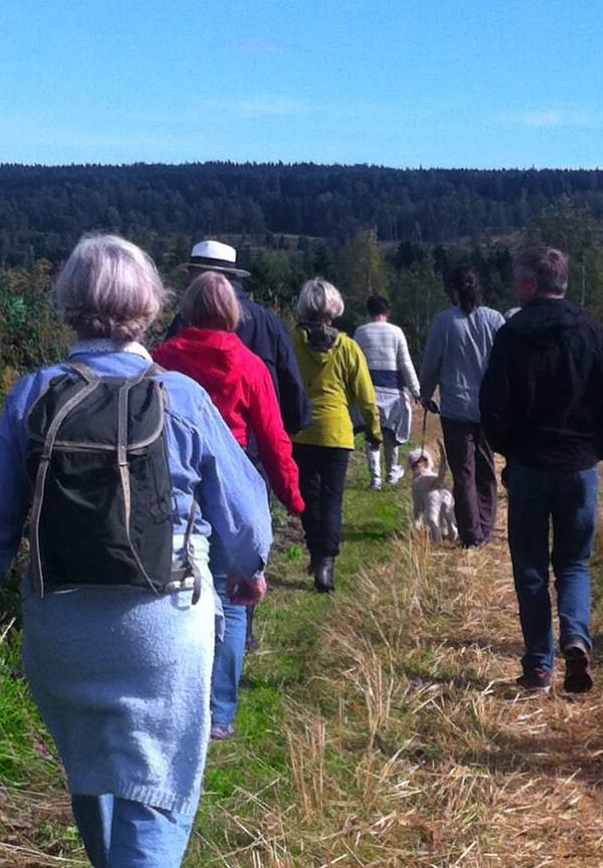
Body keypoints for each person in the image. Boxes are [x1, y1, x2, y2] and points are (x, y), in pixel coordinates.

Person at [0, 234, 273, 866]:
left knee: (93, 769)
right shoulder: (181, 397)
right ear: (151, 307)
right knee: (154, 790)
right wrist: (247, 572)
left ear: (68, 303)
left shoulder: (33, 395)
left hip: (59, 632)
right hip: (162, 626)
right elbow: (249, 525)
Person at [152, 272, 305, 741]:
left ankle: (180, 700)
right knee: (234, 598)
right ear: (233, 313)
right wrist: (293, 497)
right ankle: (219, 713)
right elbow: (275, 440)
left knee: (175, 595)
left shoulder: (160, 361)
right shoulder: (249, 364)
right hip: (233, 490)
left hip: (174, 487)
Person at [480, 246, 603, 693]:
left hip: (529, 466)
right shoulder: (591, 332)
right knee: (573, 562)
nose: (515, 286)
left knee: (529, 566)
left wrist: (509, 450)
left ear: (531, 284)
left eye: (517, 279)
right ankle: (575, 638)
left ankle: (539, 665)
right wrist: (593, 450)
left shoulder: (511, 336)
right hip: (577, 467)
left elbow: (491, 408)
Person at [290, 278, 380, 593]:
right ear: (335, 309)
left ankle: (316, 553)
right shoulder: (348, 347)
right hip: (337, 434)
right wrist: (374, 430)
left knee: (307, 498)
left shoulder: (292, 342)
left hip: (300, 432)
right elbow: (366, 396)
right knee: (331, 499)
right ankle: (326, 564)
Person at [168, 239, 312, 435]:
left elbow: (167, 380)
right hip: (256, 443)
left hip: (197, 439)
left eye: (192, 275)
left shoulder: (186, 320)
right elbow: (290, 381)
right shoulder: (270, 323)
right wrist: (292, 426)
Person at [419, 268, 508, 547]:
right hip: (488, 408)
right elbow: (506, 363)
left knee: (463, 473)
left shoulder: (443, 323)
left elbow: (431, 363)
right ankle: (484, 524)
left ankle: (471, 534)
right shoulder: (495, 320)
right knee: (486, 469)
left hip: (456, 409)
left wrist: (424, 394)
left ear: (453, 291)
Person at [353, 295, 421, 491]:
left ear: (369, 312)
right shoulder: (396, 332)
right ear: (387, 312)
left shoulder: (360, 333)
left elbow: (356, 365)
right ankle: (392, 473)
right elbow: (405, 364)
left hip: (369, 393)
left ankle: (375, 479)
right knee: (391, 435)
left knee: (371, 437)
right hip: (393, 393)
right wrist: (416, 391)